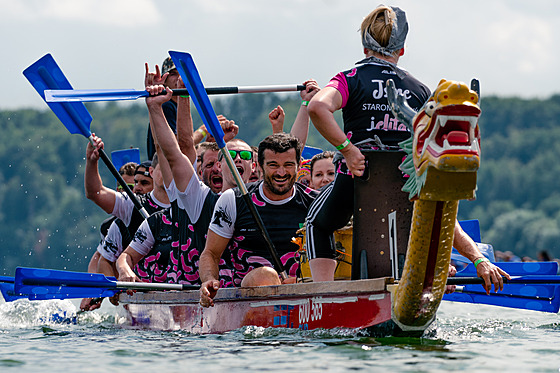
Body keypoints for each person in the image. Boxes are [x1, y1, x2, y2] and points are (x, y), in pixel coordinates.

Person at [304, 5, 509, 293]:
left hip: (357, 177)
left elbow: (317, 107)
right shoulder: (419, 90)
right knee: (433, 201)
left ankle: (325, 296)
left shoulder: (350, 78)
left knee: (316, 223)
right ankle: (425, 277)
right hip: (407, 187)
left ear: (364, 46)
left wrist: (349, 151)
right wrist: (477, 259)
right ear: (401, 51)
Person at [199, 133, 318, 308]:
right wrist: (209, 280)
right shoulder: (233, 199)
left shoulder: (315, 202)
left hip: (301, 291)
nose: (281, 172)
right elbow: (210, 253)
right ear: (259, 167)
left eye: (288, 165)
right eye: (273, 165)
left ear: (299, 165)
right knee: (266, 276)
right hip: (248, 297)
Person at [146, 57, 180, 160]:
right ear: (164, 81)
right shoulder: (166, 106)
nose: (179, 78)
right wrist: (202, 132)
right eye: (173, 74)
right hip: (163, 168)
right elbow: (178, 146)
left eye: (182, 74)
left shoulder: (176, 106)